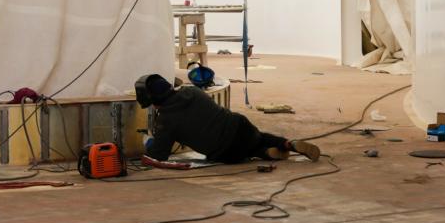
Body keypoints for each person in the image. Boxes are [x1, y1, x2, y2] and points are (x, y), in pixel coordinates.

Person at [135, 74, 320, 164]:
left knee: (242, 150)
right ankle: (288, 144)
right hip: (241, 126)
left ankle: (264, 153)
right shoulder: (191, 91)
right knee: (257, 137)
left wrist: (149, 141)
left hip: (226, 152)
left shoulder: (166, 121)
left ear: (151, 101)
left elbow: (158, 156)